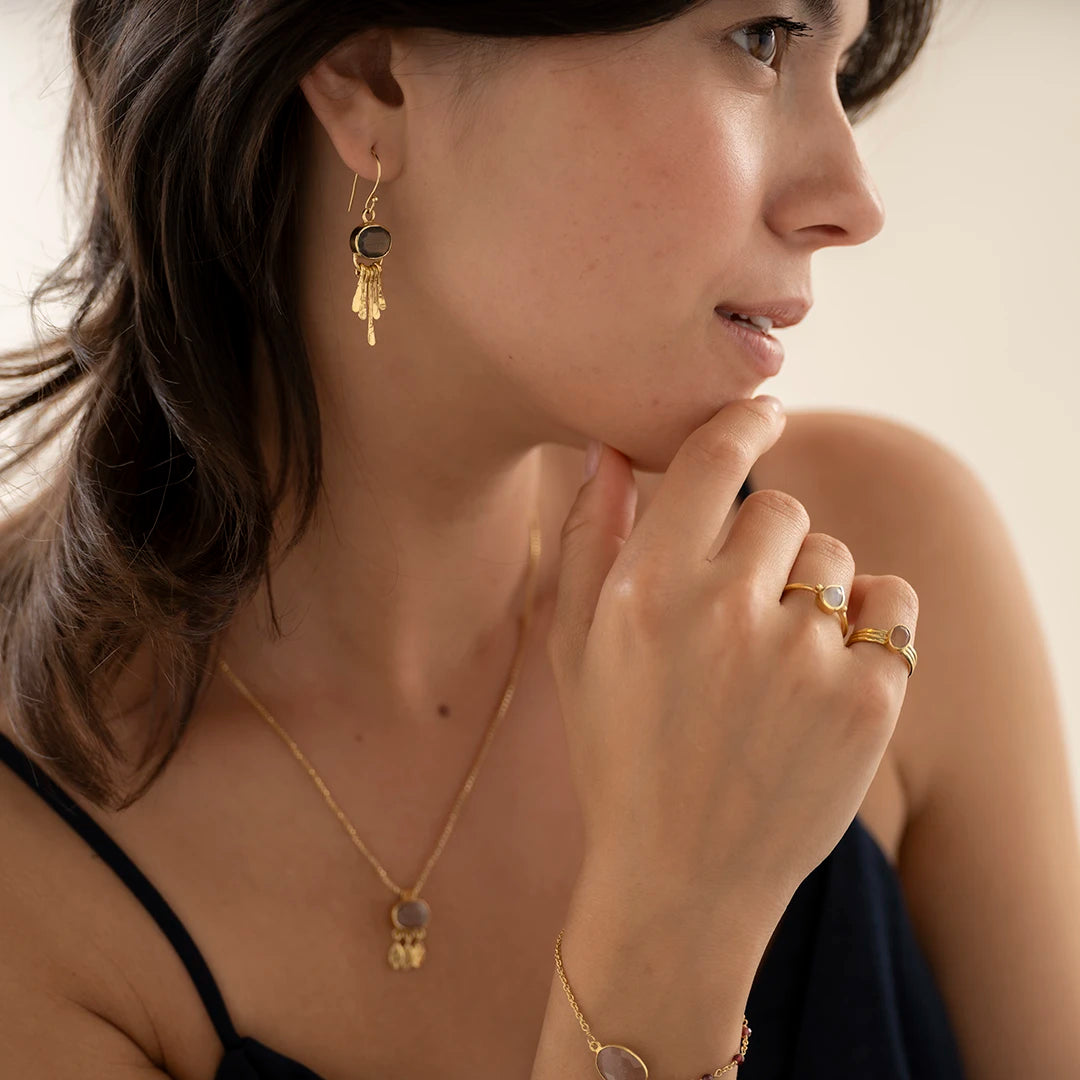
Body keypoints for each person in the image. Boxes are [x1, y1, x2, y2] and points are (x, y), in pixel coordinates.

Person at [1, 0, 1078, 1077]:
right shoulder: (31, 866)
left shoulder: (874, 576)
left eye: (841, 69)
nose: (854, 202)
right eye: (763, 38)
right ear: (372, 75)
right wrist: (672, 919)